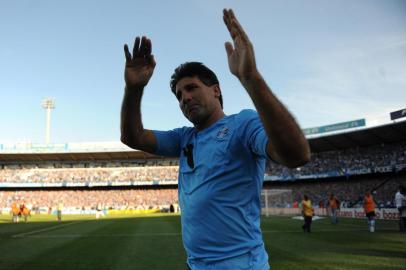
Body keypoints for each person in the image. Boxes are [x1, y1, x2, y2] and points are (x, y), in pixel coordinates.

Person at [121, 9, 310, 270]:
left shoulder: (242, 124)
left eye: (191, 88)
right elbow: (133, 137)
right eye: (178, 95)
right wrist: (134, 89)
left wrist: (250, 78)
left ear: (216, 90)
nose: (184, 98)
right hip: (196, 265)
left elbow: (297, 155)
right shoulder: (184, 137)